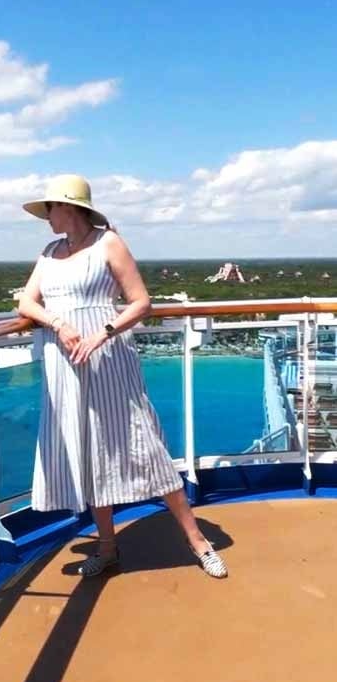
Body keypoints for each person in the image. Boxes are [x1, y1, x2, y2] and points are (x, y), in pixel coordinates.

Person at [18, 174, 228, 579]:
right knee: (86, 449)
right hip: (64, 362)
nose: (46, 216)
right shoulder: (49, 251)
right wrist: (58, 324)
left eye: (50, 208)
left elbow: (141, 302)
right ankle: (108, 546)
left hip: (109, 357)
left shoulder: (107, 242)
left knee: (142, 441)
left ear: (70, 207)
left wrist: (102, 333)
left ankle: (198, 541)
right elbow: (26, 301)